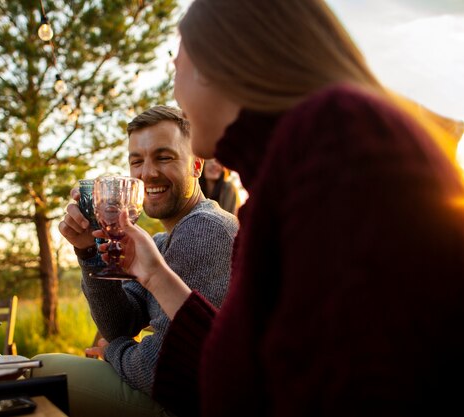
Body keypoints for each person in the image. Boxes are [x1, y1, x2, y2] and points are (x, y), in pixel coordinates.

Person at [107, 1, 464, 416]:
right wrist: (152, 273)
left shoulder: (340, 145)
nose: (173, 90)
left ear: (215, 61)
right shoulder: (284, 178)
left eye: (175, 66)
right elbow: (254, 374)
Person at [31, 105, 238, 417]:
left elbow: (162, 366)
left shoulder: (205, 228)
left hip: (191, 405)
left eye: (164, 157)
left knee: (42, 370)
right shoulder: (162, 242)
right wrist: (89, 250)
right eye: (136, 161)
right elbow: (120, 323)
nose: (147, 173)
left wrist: (112, 351)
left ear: (196, 165)